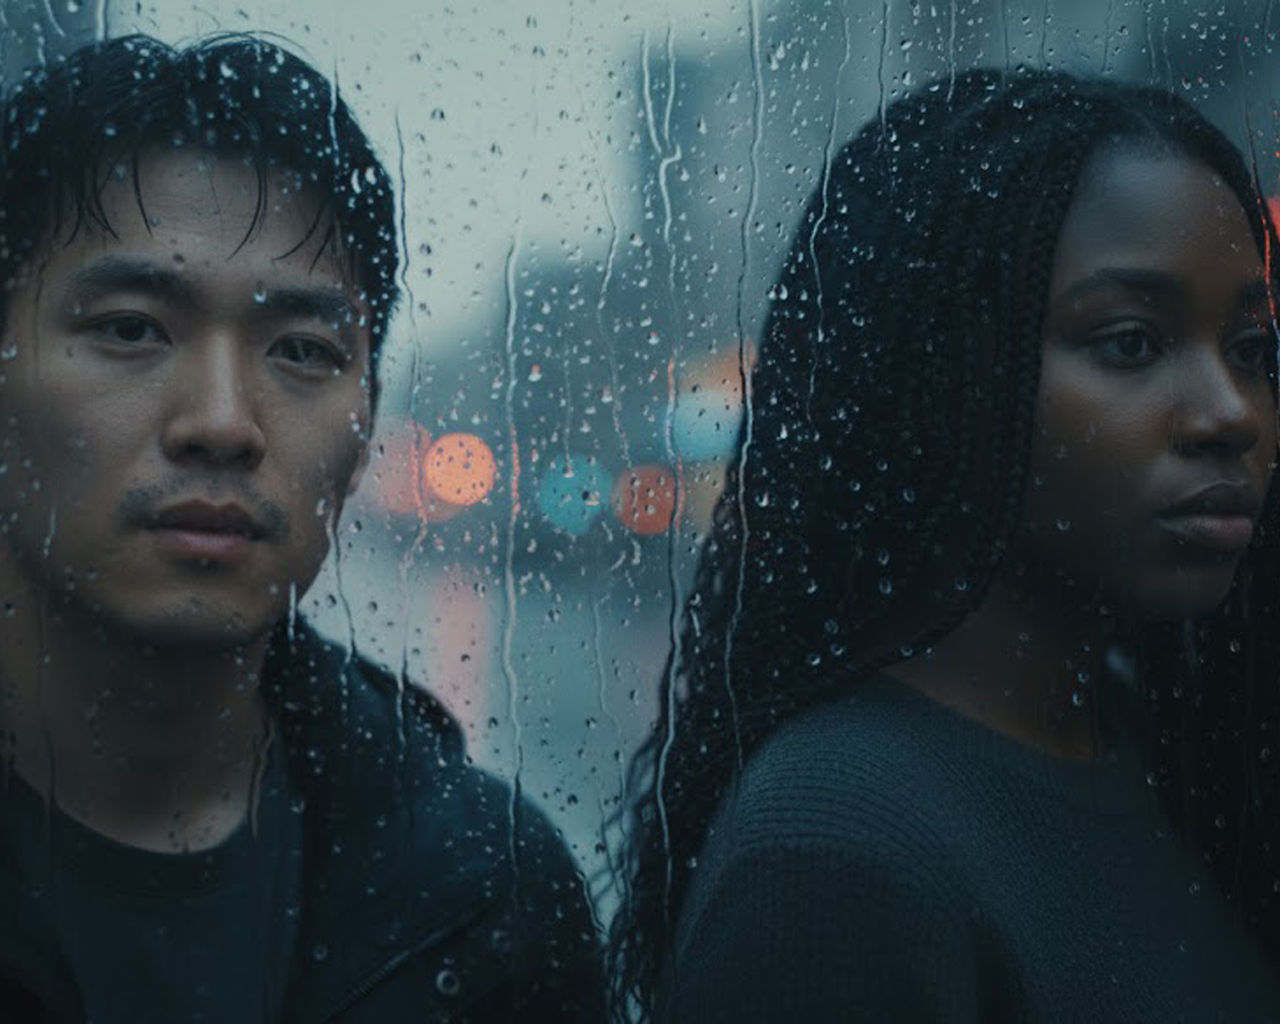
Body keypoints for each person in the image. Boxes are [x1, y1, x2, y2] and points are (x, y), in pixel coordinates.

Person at [609, 68, 1280, 1021]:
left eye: (1254, 351)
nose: (1230, 415)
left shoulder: (1162, 749)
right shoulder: (839, 847)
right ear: (937, 378)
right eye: (1131, 342)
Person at [0, 34, 603, 1021]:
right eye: (129, 328)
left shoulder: (485, 901)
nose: (224, 423)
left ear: (366, 417)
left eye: (303, 350)